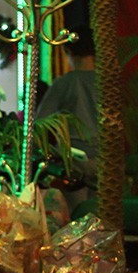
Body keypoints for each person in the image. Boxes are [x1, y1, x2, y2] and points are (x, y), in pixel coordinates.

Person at [35, 29, 98, 205]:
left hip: (75, 162)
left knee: (77, 220)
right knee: (105, 219)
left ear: (68, 52)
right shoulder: (108, 81)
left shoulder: (64, 83)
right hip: (108, 160)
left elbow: (41, 123)